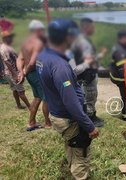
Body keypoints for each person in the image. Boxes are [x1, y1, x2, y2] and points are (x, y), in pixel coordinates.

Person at [36, 19, 99, 179]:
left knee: (72, 143)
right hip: (68, 118)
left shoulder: (43, 55)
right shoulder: (60, 66)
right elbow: (71, 103)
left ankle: (72, 166)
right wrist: (90, 126)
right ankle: (79, 175)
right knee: (82, 151)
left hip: (57, 112)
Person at [70, 18, 107, 127]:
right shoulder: (81, 43)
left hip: (90, 75)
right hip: (86, 78)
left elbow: (90, 58)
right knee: (88, 98)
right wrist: (88, 64)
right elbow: (75, 68)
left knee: (91, 97)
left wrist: (100, 56)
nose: (94, 29)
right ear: (86, 28)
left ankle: (92, 116)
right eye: (92, 27)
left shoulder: (84, 41)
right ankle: (90, 119)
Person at [16, 20, 51, 131]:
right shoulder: (38, 43)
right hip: (36, 72)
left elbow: (20, 59)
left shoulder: (26, 42)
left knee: (37, 97)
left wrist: (21, 72)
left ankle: (32, 123)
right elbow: (32, 62)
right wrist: (25, 72)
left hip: (30, 74)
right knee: (46, 98)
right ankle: (47, 123)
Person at [0, 31, 30, 109]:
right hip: (12, 72)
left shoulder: (8, 46)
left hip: (10, 72)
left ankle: (19, 105)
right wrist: (15, 74)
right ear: (5, 38)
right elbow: (7, 62)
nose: (11, 38)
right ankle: (30, 107)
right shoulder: (4, 49)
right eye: (10, 37)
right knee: (21, 91)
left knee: (15, 89)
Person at [110, 30, 126, 121]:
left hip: (122, 74)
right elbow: (121, 68)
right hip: (120, 77)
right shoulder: (119, 51)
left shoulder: (122, 47)